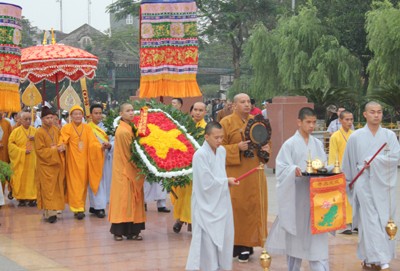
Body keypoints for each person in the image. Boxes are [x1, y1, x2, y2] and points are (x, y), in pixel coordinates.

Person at [267, 107, 330, 271]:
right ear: (299, 122)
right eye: (308, 122)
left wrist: (329, 170)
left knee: (317, 240)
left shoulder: (317, 143)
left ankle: (320, 267)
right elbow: (281, 169)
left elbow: (322, 164)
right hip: (296, 198)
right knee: (295, 240)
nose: (311, 126)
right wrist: (293, 170)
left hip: (314, 198)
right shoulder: (290, 144)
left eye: (314, 122)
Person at [342, 102, 400, 271]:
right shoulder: (356, 137)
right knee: (370, 220)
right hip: (363, 183)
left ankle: (369, 259)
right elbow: (349, 162)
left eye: (380, 112)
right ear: (365, 114)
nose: (376, 115)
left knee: (384, 219)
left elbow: (396, 158)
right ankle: (382, 260)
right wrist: (349, 183)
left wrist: (375, 162)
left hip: (384, 185)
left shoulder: (389, 136)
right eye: (373, 112)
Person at [219, 93, 270, 262]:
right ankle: (237, 245)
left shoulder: (257, 121)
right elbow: (218, 149)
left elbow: (264, 143)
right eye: (242, 102)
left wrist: (266, 150)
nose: (247, 104)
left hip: (255, 172)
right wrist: (236, 147)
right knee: (237, 209)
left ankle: (248, 245)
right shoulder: (225, 123)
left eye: (248, 101)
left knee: (254, 208)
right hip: (236, 174)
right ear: (234, 105)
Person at [186, 122, 238, 271]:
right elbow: (205, 182)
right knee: (207, 242)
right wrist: (225, 182)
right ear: (206, 136)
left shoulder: (221, 151)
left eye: (222, 137)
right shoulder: (200, 155)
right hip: (205, 203)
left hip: (221, 200)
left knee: (225, 236)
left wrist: (225, 182)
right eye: (216, 137)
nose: (220, 141)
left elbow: (220, 173)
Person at [59, 105, 104, 220]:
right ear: (71, 116)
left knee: (83, 185)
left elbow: (93, 142)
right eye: (75, 114)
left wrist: (100, 147)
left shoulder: (87, 128)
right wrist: (62, 145)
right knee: (74, 185)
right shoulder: (66, 128)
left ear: (82, 115)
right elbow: (62, 140)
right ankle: (77, 209)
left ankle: (81, 207)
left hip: (84, 162)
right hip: (72, 161)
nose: (78, 116)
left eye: (80, 114)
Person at [109, 103, 146, 241]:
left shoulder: (130, 128)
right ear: (121, 114)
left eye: (132, 110)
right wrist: (142, 166)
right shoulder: (123, 131)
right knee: (124, 200)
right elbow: (130, 154)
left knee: (132, 201)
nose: (131, 113)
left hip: (128, 169)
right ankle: (118, 231)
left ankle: (133, 231)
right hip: (125, 170)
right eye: (127, 111)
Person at [173, 102, 207, 233]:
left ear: (205, 112)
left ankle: (192, 220)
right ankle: (180, 219)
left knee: (195, 195)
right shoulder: (184, 126)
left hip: (199, 167)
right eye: (195, 110)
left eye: (201, 110)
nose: (198, 113)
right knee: (181, 194)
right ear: (191, 111)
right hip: (183, 165)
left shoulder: (207, 128)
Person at [34, 107, 65, 223]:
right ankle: (50, 213)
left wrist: (62, 147)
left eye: (51, 117)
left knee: (55, 189)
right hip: (45, 165)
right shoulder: (39, 133)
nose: (50, 120)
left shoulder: (56, 130)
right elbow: (40, 151)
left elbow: (61, 142)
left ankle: (52, 211)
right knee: (47, 189)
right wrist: (54, 150)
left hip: (56, 164)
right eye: (47, 118)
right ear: (42, 119)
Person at [328, 110, 354, 235]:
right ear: (340, 121)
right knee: (344, 198)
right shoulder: (335, 136)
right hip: (342, 171)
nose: (349, 122)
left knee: (355, 197)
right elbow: (333, 156)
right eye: (346, 119)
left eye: (351, 119)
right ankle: (345, 224)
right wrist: (335, 170)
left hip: (354, 171)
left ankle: (356, 222)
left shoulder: (354, 135)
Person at [87, 104, 113, 218]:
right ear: (91, 114)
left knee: (105, 182)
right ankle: (98, 207)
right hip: (93, 159)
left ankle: (97, 205)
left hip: (106, 158)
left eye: (100, 113)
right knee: (95, 182)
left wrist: (109, 145)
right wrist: (98, 148)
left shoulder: (108, 127)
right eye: (95, 113)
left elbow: (113, 140)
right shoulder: (87, 128)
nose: (98, 115)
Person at [8, 111, 37, 207]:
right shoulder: (15, 132)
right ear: (20, 120)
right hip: (20, 160)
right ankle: (21, 198)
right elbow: (11, 145)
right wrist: (21, 151)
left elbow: (42, 143)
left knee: (32, 179)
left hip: (32, 160)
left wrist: (35, 139)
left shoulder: (35, 131)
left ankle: (33, 198)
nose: (28, 121)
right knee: (19, 178)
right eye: (26, 119)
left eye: (30, 119)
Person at [0, 111, 12, 199]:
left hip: (4, 154)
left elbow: (11, 138)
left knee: (3, 175)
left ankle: (1, 195)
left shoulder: (7, 123)